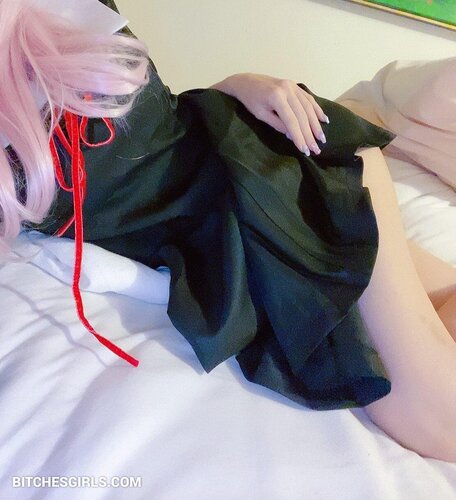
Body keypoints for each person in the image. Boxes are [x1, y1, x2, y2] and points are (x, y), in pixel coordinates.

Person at [0, 0, 455, 462]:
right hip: (237, 220)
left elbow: (152, 121)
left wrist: (235, 85)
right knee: (444, 414)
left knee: (444, 414)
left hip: (286, 165)